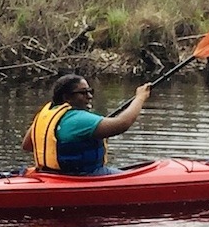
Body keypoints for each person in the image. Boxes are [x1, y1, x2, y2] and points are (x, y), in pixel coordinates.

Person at [22, 74, 151, 175]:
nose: (89, 96)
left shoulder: (46, 115)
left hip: (48, 174)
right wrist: (140, 97)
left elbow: (27, 145)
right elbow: (122, 124)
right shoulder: (78, 119)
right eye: (83, 92)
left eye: (90, 91)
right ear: (67, 97)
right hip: (83, 176)